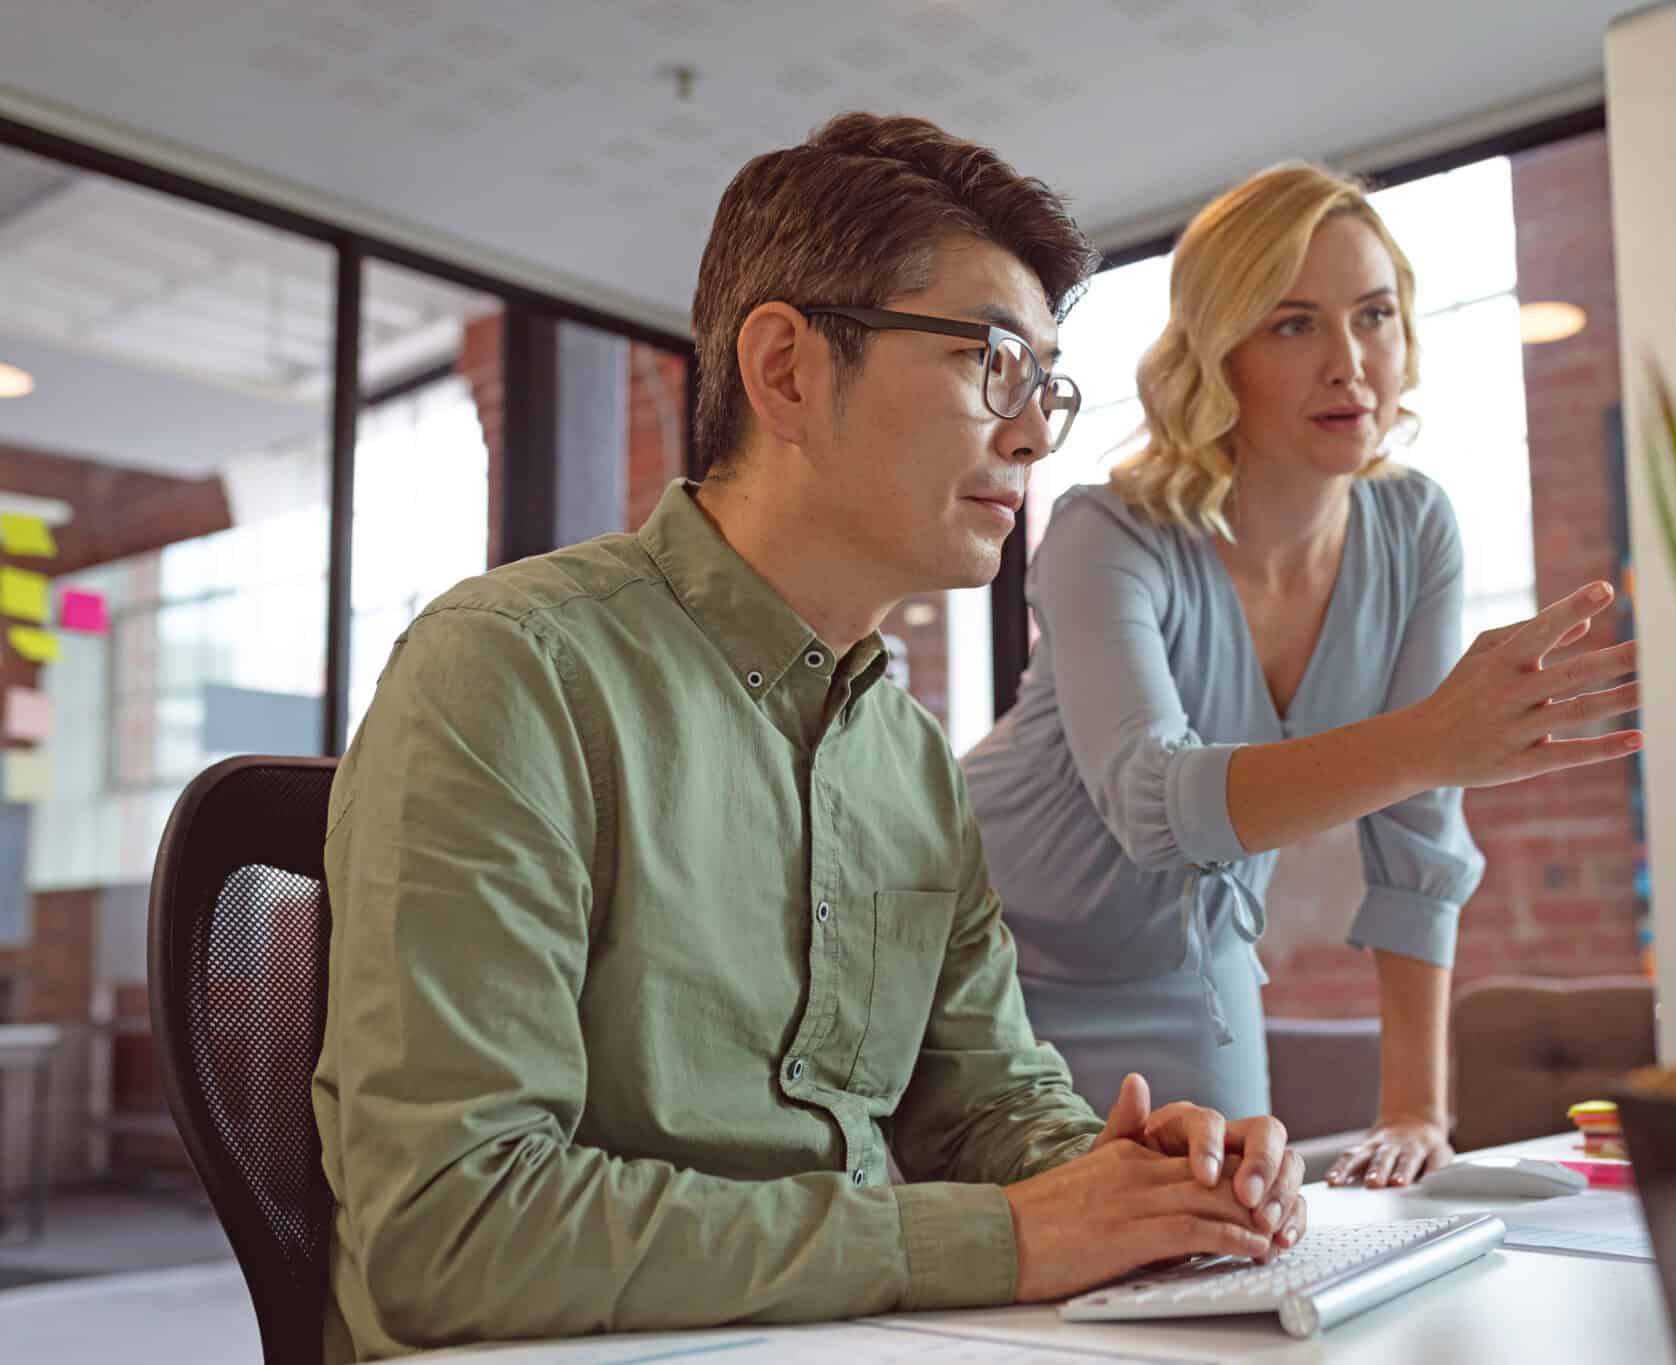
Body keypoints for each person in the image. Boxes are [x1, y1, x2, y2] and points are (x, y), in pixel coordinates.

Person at [310, 115, 1308, 1363]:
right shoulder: (512, 669)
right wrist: (998, 1238)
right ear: (783, 370)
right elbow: (451, 1233)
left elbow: (987, 1104)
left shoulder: (910, 762)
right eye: (991, 361)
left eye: (1044, 383)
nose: (1034, 432)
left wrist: (1139, 1179)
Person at [961, 161, 1641, 1189]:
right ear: (1217, 354)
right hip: (992, 961)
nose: (1347, 363)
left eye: (1372, 315)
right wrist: (1428, 742)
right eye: (1291, 324)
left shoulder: (1412, 530)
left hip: (1194, 971)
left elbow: (1417, 837)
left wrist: (1415, 1109)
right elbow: (1154, 803)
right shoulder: (1105, 533)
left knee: (1230, 1239)